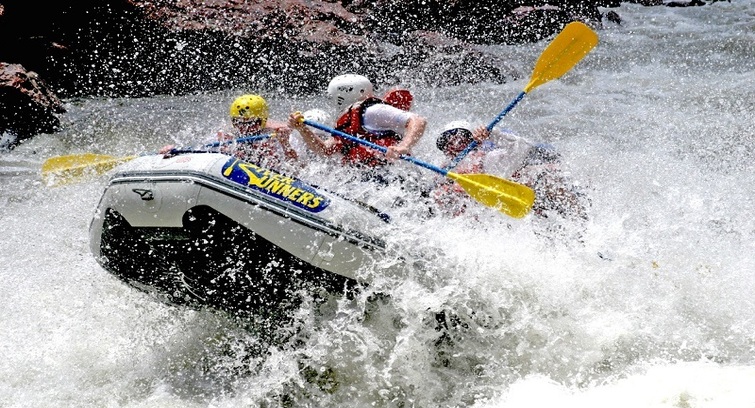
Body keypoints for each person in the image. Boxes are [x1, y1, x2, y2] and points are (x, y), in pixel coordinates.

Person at [433, 121, 589, 220]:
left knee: (547, 179)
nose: (454, 143)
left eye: (460, 137)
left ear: (473, 140)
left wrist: (492, 134)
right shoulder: (444, 171)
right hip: (493, 217)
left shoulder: (490, 160)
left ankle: (583, 224)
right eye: (446, 141)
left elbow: (522, 147)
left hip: (528, 202)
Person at [288, 74, 426, 174]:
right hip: (368, 176)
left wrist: (404, 146)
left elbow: (418, 121)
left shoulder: (372, 110)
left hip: (394, 174)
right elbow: (324, 150)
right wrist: (302, 129)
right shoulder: (347, 122)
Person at [159, 94, 299, 173]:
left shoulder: (278, 133)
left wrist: (285, 143)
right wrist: (175, 150)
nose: (244, 128)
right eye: (238, 122)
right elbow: (200, 149)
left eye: (251, 123)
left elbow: (296, 166)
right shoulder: (226, 135)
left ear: (263, 120)